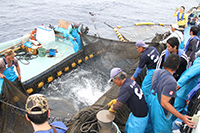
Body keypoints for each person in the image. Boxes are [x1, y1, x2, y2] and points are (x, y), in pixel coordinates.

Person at [142, 54, 194, 132]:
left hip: (150, 101)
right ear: (177, 67)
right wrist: (182, 117)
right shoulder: (171, 82)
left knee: (150, 126)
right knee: (162, 129)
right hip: (159, 107)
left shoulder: (157, 72)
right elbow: (164, 103)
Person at [107, 67, 148, 133]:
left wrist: (112, 110)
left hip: (139, 118)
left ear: (117, 78)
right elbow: (126, 96)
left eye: (113, 81)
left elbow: (119, 105)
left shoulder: (125, 88)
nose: (114, 83)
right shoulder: (130, 81)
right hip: (139, 112)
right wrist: (117, 100)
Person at [174, 50, 200, 117]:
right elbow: (188, 75)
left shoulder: (197, 63)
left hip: (187, 90)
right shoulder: (198, 66)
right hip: (185, 90)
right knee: (176, 109)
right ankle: (168, 125)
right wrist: (178, 85)